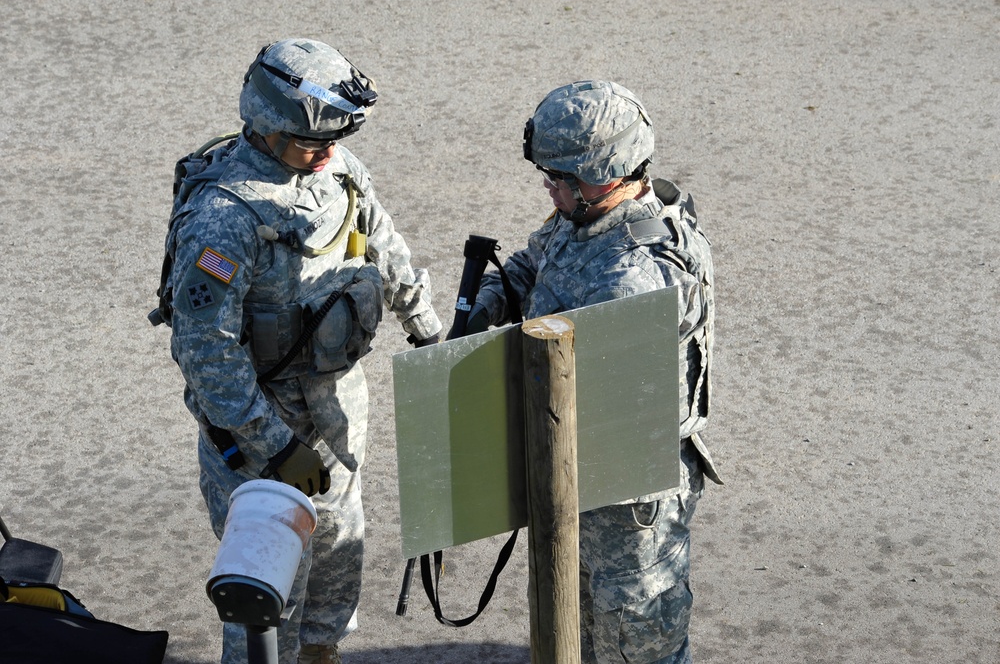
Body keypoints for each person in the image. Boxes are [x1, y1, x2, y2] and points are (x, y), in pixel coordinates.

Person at [160, 39, 442, 664]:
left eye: (333, 142)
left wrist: (427, 328)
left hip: (338, 420)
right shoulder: (224, 217)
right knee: (269, 601)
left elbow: (382, 241)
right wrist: (277, 448)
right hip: (260, 441)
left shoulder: (338, 170)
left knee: (334, 582)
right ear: (265, 126)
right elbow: (206, 351)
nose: (326, 153)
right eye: (311, 142)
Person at [467, 80, 723, 663]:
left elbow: (610, 410)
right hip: (574, 472)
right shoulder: (588, 216)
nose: (553, 191)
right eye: (548, 177)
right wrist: (485, 303)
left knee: (635, 638)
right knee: (573, 620)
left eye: (566, 180)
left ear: (612, 169)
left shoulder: (635, 277)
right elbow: (536, 262)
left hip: (629, 493)